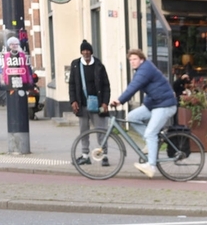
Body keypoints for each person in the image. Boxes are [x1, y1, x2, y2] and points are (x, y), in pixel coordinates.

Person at [110, 49, 178, 178]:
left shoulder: (145, 69)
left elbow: (133, 87)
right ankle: (150, 142)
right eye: (130, 60)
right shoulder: (142, 70)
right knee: (132, 117)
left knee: (150, 133)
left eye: (135, 59)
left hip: (165, 105)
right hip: (155, 103)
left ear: (142, 59)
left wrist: (119, 101)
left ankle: (151, 166)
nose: (132, 62)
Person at [69, 39, 112, 167]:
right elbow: (72, 84)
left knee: (101, 130)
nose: (86, 52)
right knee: (83, 130)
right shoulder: (76, 65)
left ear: (91, 52)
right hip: (82, 104)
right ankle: (85, 155)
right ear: (81, 52)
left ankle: (104, 155)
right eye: (84, 50)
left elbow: (106, 85)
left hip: (97, 104)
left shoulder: (99, 65)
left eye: (88, 50)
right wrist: (73, 101)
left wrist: (105, 102)